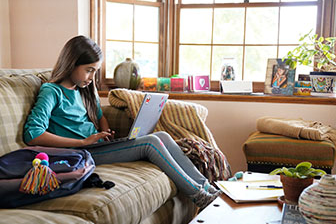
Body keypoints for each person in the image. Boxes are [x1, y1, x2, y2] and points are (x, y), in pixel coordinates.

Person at [23, 35, 221, 210]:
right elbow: (33, 134)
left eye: (96, 71)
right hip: (82, 152)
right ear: (71, 64)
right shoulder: (52, 91)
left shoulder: (81, 90)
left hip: (97, 145)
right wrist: (83, 142)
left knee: (163, 136)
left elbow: (100, 115)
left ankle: (208, 187)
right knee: (150, 143)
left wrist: (105, 130)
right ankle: (199, 196)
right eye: (88, 70)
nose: (92, 78)